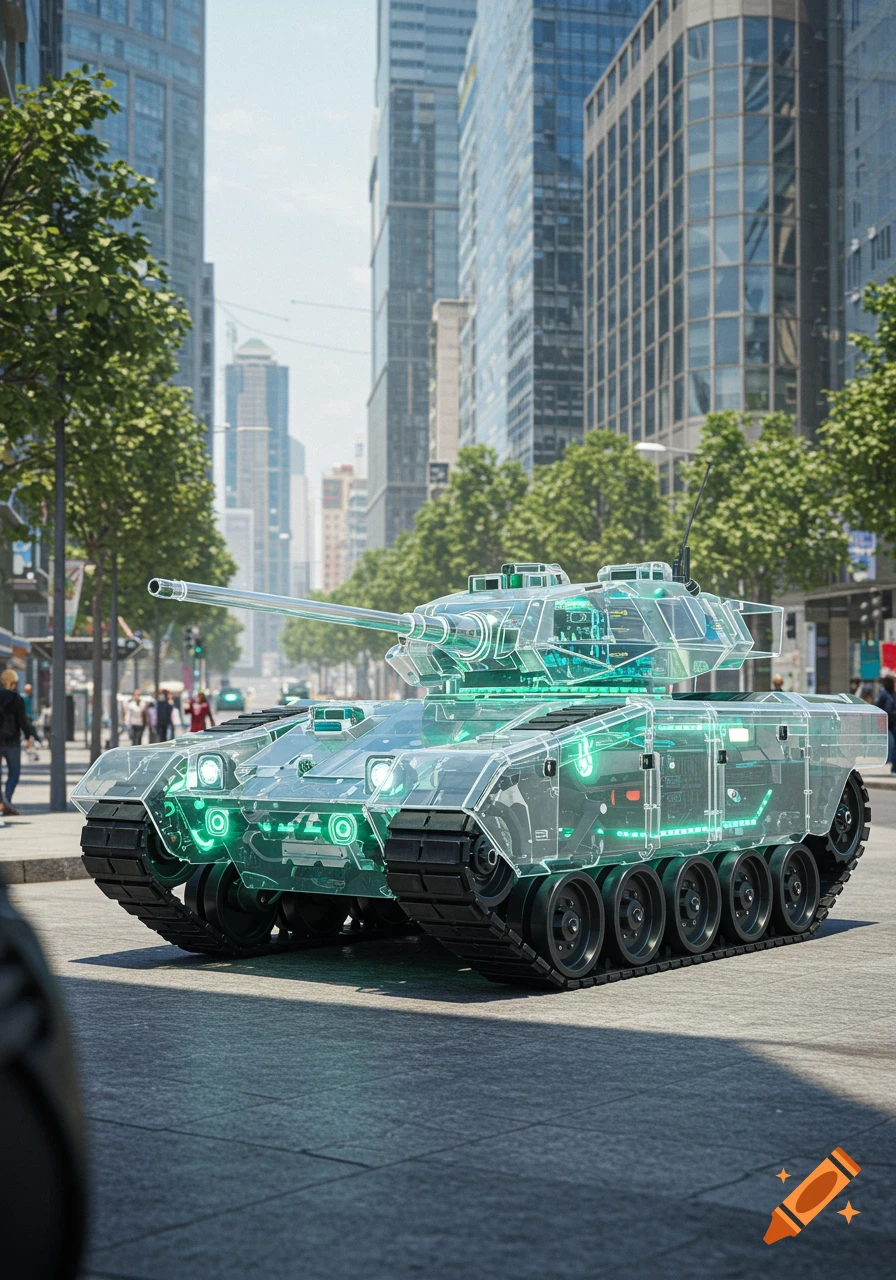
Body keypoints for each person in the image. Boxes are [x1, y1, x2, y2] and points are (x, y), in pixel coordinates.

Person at [0, 668, 36, 816]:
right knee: (14, 772)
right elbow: (22, 721)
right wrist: (28, 737)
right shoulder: (16, 698)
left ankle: (3, 803)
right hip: (12, 741)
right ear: (13, 683)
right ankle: (6, 800)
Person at [874, 676, 896, 774]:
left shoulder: (890, 694)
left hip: (891, 724)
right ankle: (893, 768)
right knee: (892, 746)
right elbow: (881, 710)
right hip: (889, 724)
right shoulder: (884, 695)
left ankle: (894, 768)